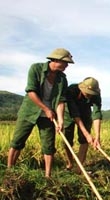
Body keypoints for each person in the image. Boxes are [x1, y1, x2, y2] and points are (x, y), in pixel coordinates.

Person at [7, 48, 74, 178]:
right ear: (56, 60)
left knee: (48, 145)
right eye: (65, 63)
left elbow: (61, 100)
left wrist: (60, 119)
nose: (67, 66)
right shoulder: (36, 69)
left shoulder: (62, 79)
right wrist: (46, 109)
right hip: (30, 111)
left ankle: (47, 176)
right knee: (17, 141)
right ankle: (9, 172)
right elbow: (31, 91)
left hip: (49, 116)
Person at [63, 77, 102, 173]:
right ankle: (70, 163)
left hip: (85, 112)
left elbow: (96, 114)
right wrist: (87, 134)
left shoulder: (96, 95)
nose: (89, 95)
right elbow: (75, 114)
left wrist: (97, 136)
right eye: (87, 93)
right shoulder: (71, 90)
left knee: (84, 141)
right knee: (67, 140)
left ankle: (79, 168)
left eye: (91, 94)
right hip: (69, 114)